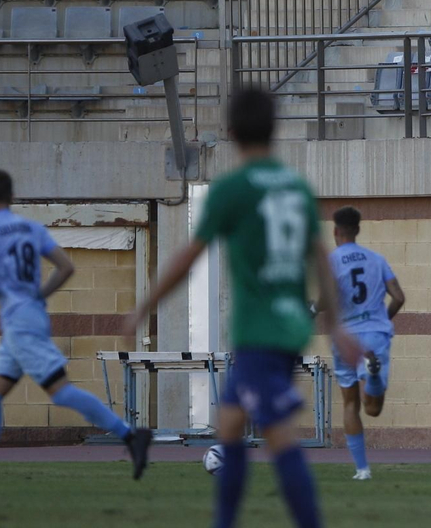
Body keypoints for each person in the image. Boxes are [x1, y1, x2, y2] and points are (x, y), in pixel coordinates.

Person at [122, 88, 362, 528]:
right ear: (275, 130)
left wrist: (145, 305)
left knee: (277, 435)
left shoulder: (232, 190)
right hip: (289, 327)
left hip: (261, 332)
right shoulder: (295, 187)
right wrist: (339, 325)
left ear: (231, 133)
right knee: (230, 426)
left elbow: (188, 257)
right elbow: (321, 259)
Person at [0, 170, 154, 500]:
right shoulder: (31, 228)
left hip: (19, 324)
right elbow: (65, 266)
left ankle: (130, 435)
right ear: (11, 197)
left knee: (61, 392)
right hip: (28, 319)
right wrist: (40, 294)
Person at [329, 206, 405, 481]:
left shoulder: (331, 261)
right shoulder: (377, 260)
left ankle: (362, 470)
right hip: (375, 333)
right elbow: (398, 296)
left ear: (335, 231)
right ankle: (371, 376)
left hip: (345, 337)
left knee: (351, 404)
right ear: (358, 230)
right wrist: (381, 320)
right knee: (374, 409)